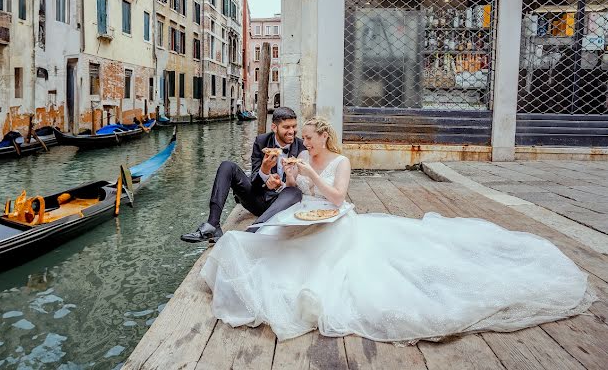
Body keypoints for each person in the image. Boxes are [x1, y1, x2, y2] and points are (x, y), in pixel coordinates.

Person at [201, 116, 595, 343]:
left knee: (339, 271)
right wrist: (279, 173)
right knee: (262, 246)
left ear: (324, 137)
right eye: (300, 137)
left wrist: (309, 175)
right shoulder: (301, 157)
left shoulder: (341, 160)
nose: (301, 142)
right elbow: (288, 188)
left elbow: (336, 198)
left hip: (333, 219)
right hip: (302, 216)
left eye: (307, 137)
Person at [181, 107, 306, 243]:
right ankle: (213, 225)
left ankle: (252, 231)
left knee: (294, 192)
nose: (292, 131)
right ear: (274, 127)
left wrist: (281, 185)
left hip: (282, 203)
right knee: (227, 166)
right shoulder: (261, 142)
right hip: (258, 200)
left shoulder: (302, 147)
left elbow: (303, 185)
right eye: (286, 127)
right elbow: (256, 184)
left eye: (294, 126)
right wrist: (264, 171)